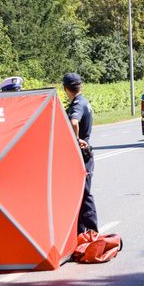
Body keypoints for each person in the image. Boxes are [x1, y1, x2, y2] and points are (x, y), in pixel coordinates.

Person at [62, 72, 99, 235]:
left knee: (83, 193)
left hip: (82, 154)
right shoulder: (83, 101)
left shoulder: (77, 104)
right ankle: (81, 232)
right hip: (85, 152)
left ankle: (91, 231)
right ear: (80, 86)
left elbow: (74, 121)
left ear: (65, 89)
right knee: (81, 192)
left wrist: (75, 140)